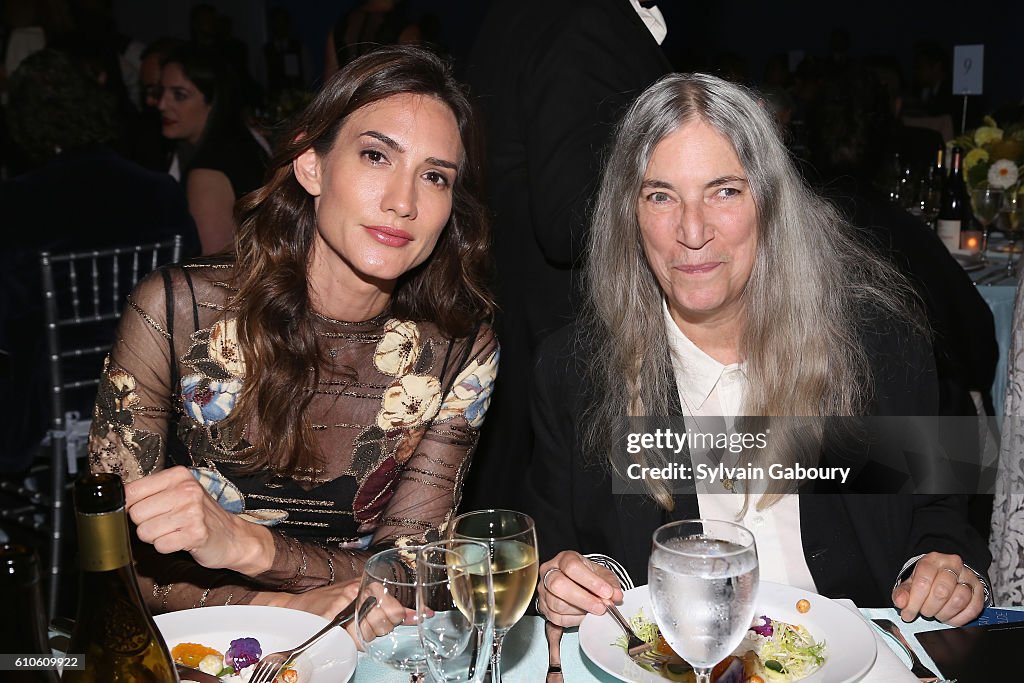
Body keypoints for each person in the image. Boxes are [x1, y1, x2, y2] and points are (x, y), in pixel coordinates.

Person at [526, 73, 991, 630]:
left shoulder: (877, 341)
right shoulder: (576, 373)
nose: (692, 231)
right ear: (630, 214)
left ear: (769, 203)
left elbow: (941, 515)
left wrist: (942, 569)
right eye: (660, 195)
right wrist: (573, 584)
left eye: (724, 191)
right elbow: (567, 552)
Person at [87, 45, 498, 618]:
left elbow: (413, 574)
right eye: (376, 156)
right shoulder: (180, 312)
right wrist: (282, 609)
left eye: (434, 177)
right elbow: (111, 561)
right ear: (311, 165)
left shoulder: (456, 348)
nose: (403, 202)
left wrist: (248, 546)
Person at [461, 0, 672, 511]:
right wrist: (679, 201)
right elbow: (568, 219)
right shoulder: (583, 19)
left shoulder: (523, 14)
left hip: (517, 335)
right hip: (577, 351)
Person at [0, 48, 197, 474]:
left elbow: (9, 318)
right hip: (160, 386)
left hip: (58, 400)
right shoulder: (158, 190)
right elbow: (195, 291)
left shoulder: (17, 203)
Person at [158, 45, 268, 254]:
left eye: (179, 95)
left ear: (213, 102)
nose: (162, 104)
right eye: (160, 91)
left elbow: (214, 268)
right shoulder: (243, 141)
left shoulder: (208, 172)